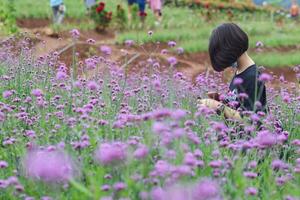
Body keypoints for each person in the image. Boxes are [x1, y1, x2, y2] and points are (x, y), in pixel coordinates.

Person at [198, 23, 267, 121]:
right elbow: (239, 106)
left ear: (228, 49)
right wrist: (222, 100)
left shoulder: (252, 77)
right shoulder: (240, 72)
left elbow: (251, 121)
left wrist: (218, 106)